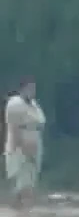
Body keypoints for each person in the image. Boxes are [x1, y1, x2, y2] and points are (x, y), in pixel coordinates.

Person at [5, 78, 45, 209]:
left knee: (30, 181)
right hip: (21, 144)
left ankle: (21, 210)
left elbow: (39, 123)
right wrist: (23, 146)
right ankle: (22, 211)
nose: (32, 91)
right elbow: (14, 127)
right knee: (23, 182)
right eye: (29, 88)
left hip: (34, 142)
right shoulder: (15, 103)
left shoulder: (33, 104)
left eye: (33, 88)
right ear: (22, 89)